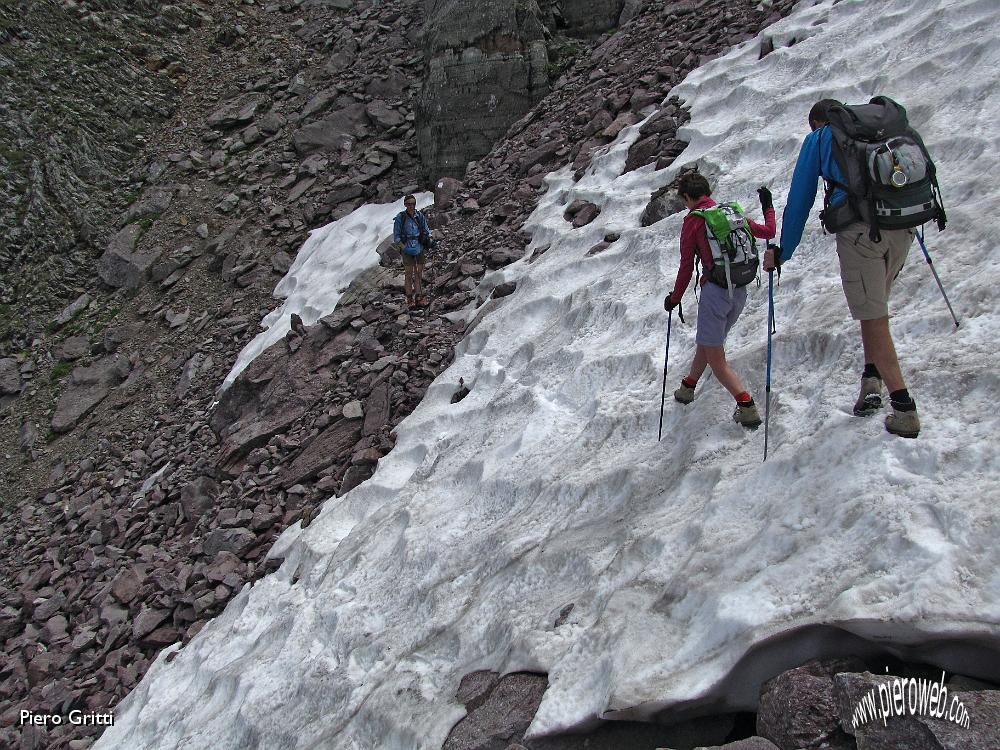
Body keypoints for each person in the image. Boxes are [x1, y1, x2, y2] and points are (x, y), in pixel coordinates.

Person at [763, 99, 919, 438]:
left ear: (818, 121)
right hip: (903, 225)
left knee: (874, 317)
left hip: (861, 234)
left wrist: (783, 251)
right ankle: (870, 380)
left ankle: (904, 407)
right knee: (873, 310)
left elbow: (801, 198)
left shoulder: (820, 139)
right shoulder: (883, 129)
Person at [664, 172, 776, 428]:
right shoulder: (729, 216)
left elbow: (686, 268)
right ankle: (688, 387)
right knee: (709, 341)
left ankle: (745, 404)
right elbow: (769, 230)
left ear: (687, 197)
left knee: (717, 359)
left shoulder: (694, 221)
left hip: (715, 294)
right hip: (739, 291)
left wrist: (674, 299)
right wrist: (768, 207)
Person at [393, 194, 437, 310]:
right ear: (405, 205)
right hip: (407, 248)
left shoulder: (419, 216)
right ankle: (409, 299)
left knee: (418, 273)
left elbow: (426, 230)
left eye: (413, 203)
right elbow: (396, 237)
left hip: (419, 247)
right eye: (409, 204)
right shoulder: (400, 218)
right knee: (408, 274)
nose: (411, 206)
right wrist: (404, 248)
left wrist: (431, 241)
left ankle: (418, 297)